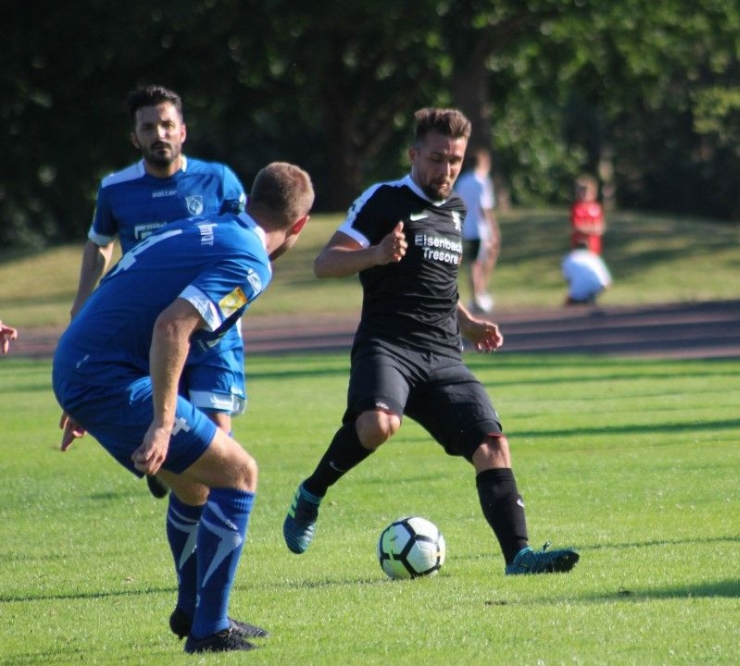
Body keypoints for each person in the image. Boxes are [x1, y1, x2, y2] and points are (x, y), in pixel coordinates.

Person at [282, 108, 579, 576]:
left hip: (443, 355)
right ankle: (311, 493)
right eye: (437, 158)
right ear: (414, 154)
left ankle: (519, 557)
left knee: (492, 446)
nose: (446, 169)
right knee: (378, 425)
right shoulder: (384, 199)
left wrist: (469, 323)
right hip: (388, 346)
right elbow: (325, 263)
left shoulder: (456, 210)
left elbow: (440, 287)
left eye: (455, 160)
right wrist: (377, 254)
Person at [54, 162, 314, 653]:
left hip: (86, 364)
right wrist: (162, 421)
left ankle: (194, 610)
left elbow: (124, 290)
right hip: (104, 375)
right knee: (239, 474)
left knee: (196, 484)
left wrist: (78, 382)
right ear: (298, 224)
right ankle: (209, 631)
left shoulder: (207, 226)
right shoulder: (252, 259)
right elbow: (172, 326)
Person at [68, 85, 248, 497]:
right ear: (135, 137)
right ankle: (175, 476)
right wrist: (81, 308)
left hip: (212, 330)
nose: (159, 134)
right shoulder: (116, 189)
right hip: (151, 334)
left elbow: (252, 241)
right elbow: (100, 243)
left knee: (217, 436)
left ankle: (213, 518)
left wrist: (237, 298)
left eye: (167, 125)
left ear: (182, 131)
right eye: (148, 127)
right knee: (174, 441)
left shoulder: (218, 181)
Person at [454, 147, 499, 313]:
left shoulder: (462, 181)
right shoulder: (482, 181)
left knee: (476, 262)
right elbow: (484, 208)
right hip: (480, 228)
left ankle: (479, 293)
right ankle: (477, 297)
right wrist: (493, 229)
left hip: (466, 227)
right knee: (477, 263)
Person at [570, 174, 606, 255]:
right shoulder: (577, 207)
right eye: (582, 191)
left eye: (588, 191)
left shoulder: (596, 207)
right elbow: (578, 227)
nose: (585, 194)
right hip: (580, 247)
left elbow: (601, 228)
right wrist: (593, 228)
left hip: (594, 248)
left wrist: (587, 227)